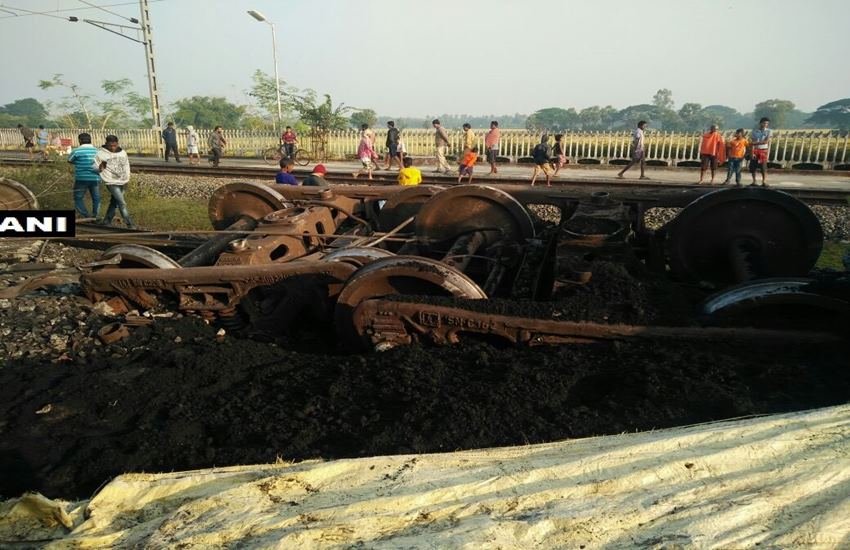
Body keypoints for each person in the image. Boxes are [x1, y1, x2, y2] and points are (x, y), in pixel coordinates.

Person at [94, 135, 134, 229]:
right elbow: (94, 167)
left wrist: (127, 177)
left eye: (114, 145)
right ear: (106, 144)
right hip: (111, 182)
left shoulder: (123, 152)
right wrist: (100, 167)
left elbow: (126, 165)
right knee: (122, 203)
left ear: (117, 144)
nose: (112, 148)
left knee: (114, 202)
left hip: (123, 180)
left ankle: (106, 221)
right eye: (110, 146)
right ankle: (130, 224)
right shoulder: (100, 154)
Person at [67, 132, 101, 219]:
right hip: (95, 178)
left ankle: (85, 215)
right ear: (90, 140)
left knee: (78, 197)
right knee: (96, 198)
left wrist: (79, 162)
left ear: (80, 140)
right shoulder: (97, 151)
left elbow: (70, 160)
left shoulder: (77, 151)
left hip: (81, 178)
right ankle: (95, 215)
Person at [750, 117, 771, 187]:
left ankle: (764, 181)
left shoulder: (768, 131)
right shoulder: (754, 131)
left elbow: (766, 141)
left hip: (763, 150)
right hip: (755, 150)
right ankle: (754, 181)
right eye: (764, 123)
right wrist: (752, 152)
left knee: (763, 166)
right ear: (760, 123)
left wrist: (756, 143)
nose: (766, 124)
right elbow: (752, 142)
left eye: (767, 123)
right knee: (753, 166)